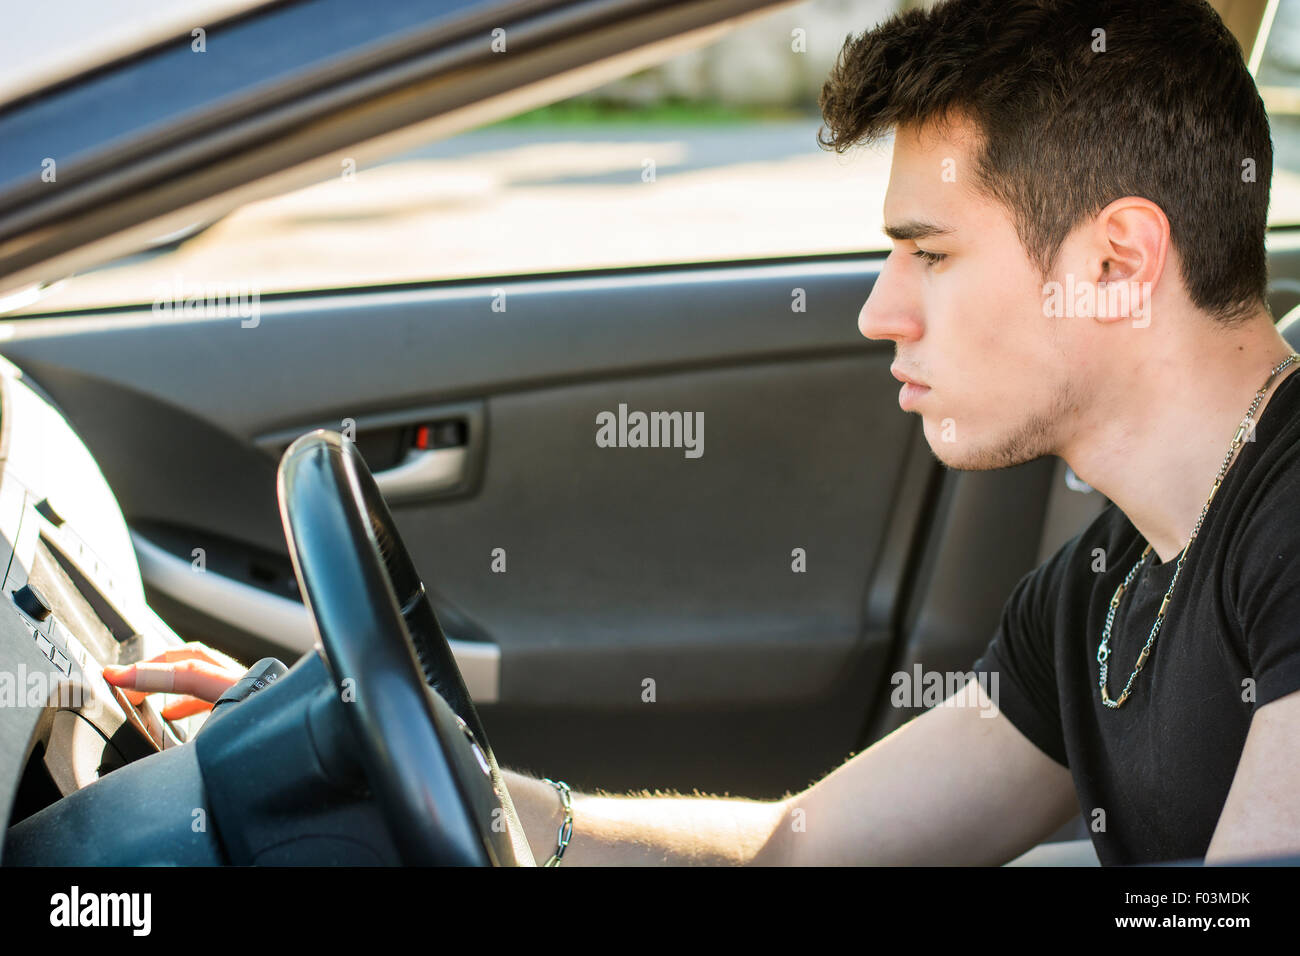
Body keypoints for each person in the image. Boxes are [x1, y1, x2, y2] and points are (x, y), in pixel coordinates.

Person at [105, 0, 1300, 865]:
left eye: (929, 253)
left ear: (1115, 259)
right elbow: (801, 845)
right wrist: (450, 786)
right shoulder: (1100, 590)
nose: (879, 310)